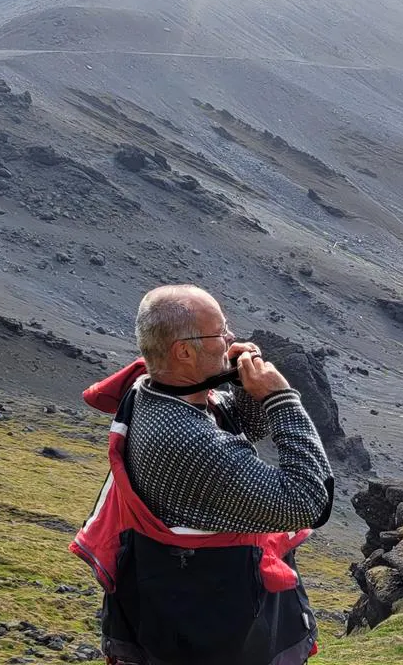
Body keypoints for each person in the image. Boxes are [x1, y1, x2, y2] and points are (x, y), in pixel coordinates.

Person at [71, 284, 334, 665]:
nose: (231, 339)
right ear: (184, 351)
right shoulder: (186, 440)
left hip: (186, 609)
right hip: (218, 634)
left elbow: (236, 422)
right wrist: (281, 399)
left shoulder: (150, 390)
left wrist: (247, 390)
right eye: (221, 332)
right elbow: (308, 502)